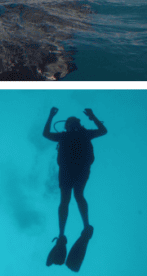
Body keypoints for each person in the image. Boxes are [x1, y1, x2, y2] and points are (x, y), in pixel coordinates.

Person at [43, 107, 107, 265]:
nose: (72, 126)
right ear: (67, 126)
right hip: (74, 171)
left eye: (74, 123)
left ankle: (74, 232)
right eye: (70, 124)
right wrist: (50, 116)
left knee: (73, 197)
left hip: (74, 171)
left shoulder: (75, 134)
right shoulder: (79, 134)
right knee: (71, 198)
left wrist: (93, 116)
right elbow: (45, 134)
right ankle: (67, 234)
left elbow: (103, 130)